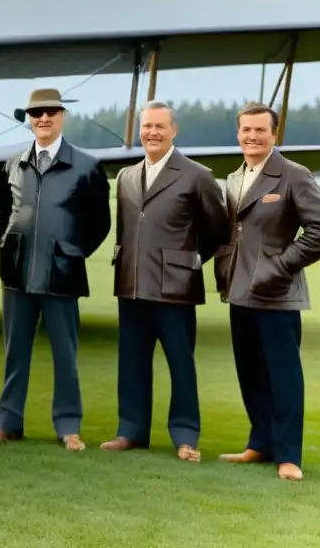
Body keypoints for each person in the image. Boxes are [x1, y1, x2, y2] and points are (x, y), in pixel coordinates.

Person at [214, 101, 320, 482]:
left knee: (283, 376)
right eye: (245, 130)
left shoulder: (294, 175)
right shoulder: (235, 178)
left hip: (278, 293)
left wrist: (281, 265)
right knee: (250, 372)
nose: (252, 136)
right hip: (239, 291)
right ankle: (261, 443)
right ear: (238, 134)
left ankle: (289, 455)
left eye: (260, 130)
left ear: (274, 133)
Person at [100, 101, 229, 462]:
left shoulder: (196, 175)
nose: (152, 133)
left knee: (181, 364)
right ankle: (130, 431)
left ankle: (186, 436)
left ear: (174, 130)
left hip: (176, 289)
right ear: (138, 130)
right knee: (132, 363)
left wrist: (187, 260)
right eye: (146, 126)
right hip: (131, 285)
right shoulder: (126, 176)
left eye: (159, 126)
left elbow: (217, 230)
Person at [0, 88, 111, 451]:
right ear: (29, 118)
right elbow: (4, 213)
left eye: (50, 112)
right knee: (14, 352)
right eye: (36, 113)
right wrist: (8, 245)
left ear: (62, 116)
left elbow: (99, 222)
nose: (43, 118)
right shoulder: (12, 165)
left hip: (62, 275)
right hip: (17, 275)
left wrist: (72, 251)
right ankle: (7, 422)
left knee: (66, 356)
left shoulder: (86, 166)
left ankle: (68, 426)